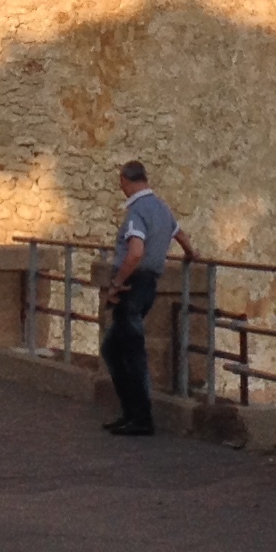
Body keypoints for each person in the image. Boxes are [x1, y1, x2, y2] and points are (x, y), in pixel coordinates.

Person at [97, 160, 187, 438]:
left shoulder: (136, 212)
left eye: (121, 183)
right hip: (149, 285)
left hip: (132, 286)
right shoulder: (161, 208)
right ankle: (132, 413)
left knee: (129, 353)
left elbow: (135, 252)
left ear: (125, 180)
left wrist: (117, 283)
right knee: (116, 349)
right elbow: (179, 234)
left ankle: (140, 417)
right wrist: (192, 254)